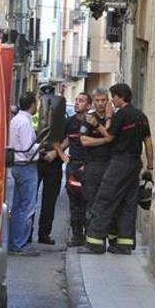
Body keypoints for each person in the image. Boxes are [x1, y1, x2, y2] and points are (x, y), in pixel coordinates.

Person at [80, 83, 154, 255]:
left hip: (119, 162)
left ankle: (94, 242)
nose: (111, 101)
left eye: (113, 97)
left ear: (120, 97)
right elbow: (149, 143)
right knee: (128, 203)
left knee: (104, 199)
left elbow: (109, 136)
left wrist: (100, 123)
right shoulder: (141, 116)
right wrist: (149, 167)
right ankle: (124, 244)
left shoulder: (121, 115)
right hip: (135, 163)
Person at [8, 92, 41, 256]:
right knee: (27, 207)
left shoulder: (15, 120)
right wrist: (41, 149)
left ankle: (13, 242)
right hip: (26, 166)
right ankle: (20, 244)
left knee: (17, 207)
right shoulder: (25, 123)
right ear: (32, 105)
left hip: (16, 165)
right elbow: (28, 149)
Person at [57, 92, 92, 247]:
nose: (77, 103)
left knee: (88, 202)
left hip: (89, 167)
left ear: (88, 106)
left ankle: (89, 235)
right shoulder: (69, 122)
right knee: (74, 203)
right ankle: (77, 236)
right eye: (76, 100)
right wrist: (61, 154)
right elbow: (57, 141)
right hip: (73, 167)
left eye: (81, 101)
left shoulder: (92, 123)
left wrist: (89, 164)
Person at [79, 88, 114, 230]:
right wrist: (105, 140)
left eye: (103, 100)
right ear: (93, 102)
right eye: (97, 100)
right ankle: (90, 235)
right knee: (91, 201)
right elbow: (84, 141)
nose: (100, 103)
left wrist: (107, 121)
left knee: (108, 202)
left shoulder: (113, 118)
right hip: (92, 165)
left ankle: (105, 235)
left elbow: (112, 136)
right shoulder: (88, 118)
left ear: (108, 101)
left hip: (110, 165)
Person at [34, 84, 62, 245]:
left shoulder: (60, 115)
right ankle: (27, 234)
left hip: (53, 161)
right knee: (31, 200)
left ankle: (44, 234)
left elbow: (66, 138)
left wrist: (55, 152)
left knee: (49, 200)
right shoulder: (33, 116)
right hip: (36, 160)